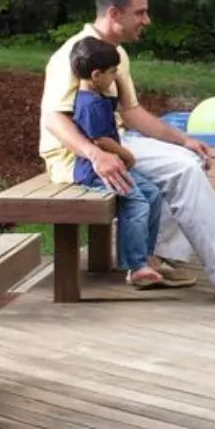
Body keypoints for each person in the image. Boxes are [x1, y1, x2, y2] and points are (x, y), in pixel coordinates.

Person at [39, 0, 215, 303]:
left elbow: (131, 111)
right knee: (182, 172)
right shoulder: (73, 54)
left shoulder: (116, 54)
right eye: (140, 13)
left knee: (189, 160)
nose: (147, 20)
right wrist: (94, 155)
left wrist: (181, 139)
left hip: (114, 139)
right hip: (77, 157)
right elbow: (53, 118)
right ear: (115, 14)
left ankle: (159, 258)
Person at [70, 36, 171, 290]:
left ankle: (145, 256)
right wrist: (126, 155)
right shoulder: (89, 104)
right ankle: (136, 266)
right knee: (136, 202)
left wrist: (121, 78)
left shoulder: (98, 94)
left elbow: (124, 105)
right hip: (95, 173)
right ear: (96, 74)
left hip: (113, 168)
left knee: (152, 194)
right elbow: (100, 139)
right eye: (113, 72)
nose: (116, 77)